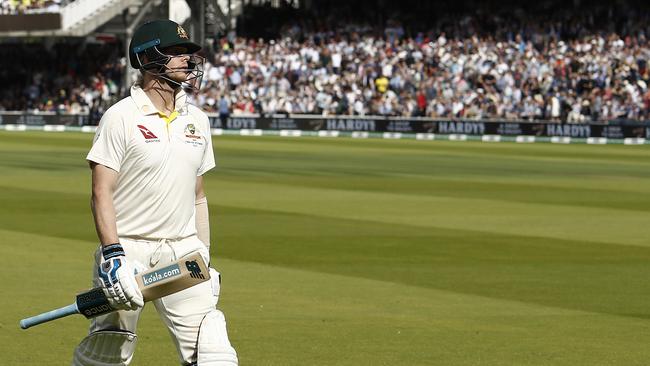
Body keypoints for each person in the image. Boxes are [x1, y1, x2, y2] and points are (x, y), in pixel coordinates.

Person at [72, 19, 238, 366]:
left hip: (182, 252)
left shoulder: (198, 120)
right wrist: (113, 257)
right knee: (107, 352)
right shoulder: (120, 117)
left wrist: (203, 254)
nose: (188, 61)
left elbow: (198, 195)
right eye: (177, 53)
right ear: (148, 57)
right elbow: (101, 192)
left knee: (214, 352)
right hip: (128, 251)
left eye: (189, 54)